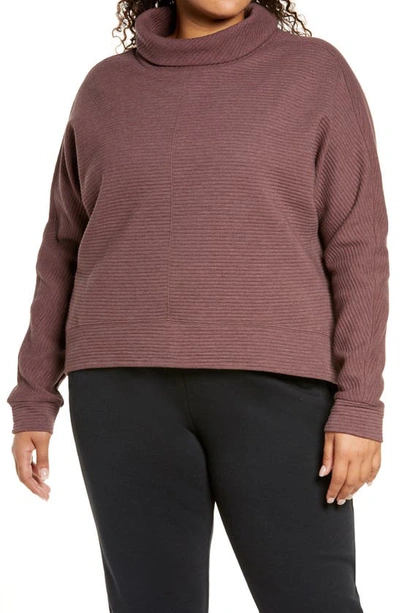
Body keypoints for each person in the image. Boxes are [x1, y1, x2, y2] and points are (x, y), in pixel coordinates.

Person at [7, 1, 390, 611]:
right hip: (119, 391)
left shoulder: (317, 74)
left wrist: (360, 406)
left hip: (279, 391)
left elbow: (358, 246)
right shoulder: (106, 88)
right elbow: (62, 247)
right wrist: (33, 395)